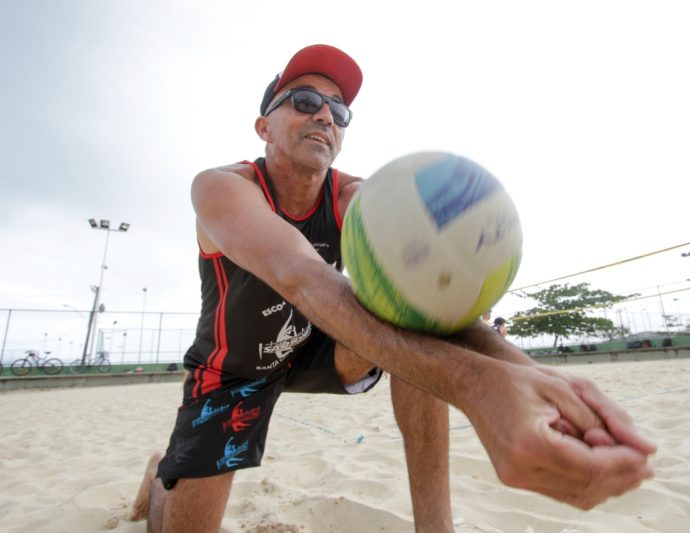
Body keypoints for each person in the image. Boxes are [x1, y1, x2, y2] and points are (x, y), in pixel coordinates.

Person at [130, 44, 656, 533]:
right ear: (264, 126)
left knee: (412, 307)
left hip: (316, 347)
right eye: (306, 100)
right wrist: (476, 386)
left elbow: (430, 300)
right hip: (232, 370)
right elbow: (300, 276)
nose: (325, 115)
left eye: (339, 111)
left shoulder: (359, 198)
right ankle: (160, 476)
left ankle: (434, 526)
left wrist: (528, 372)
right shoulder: (223, 186)